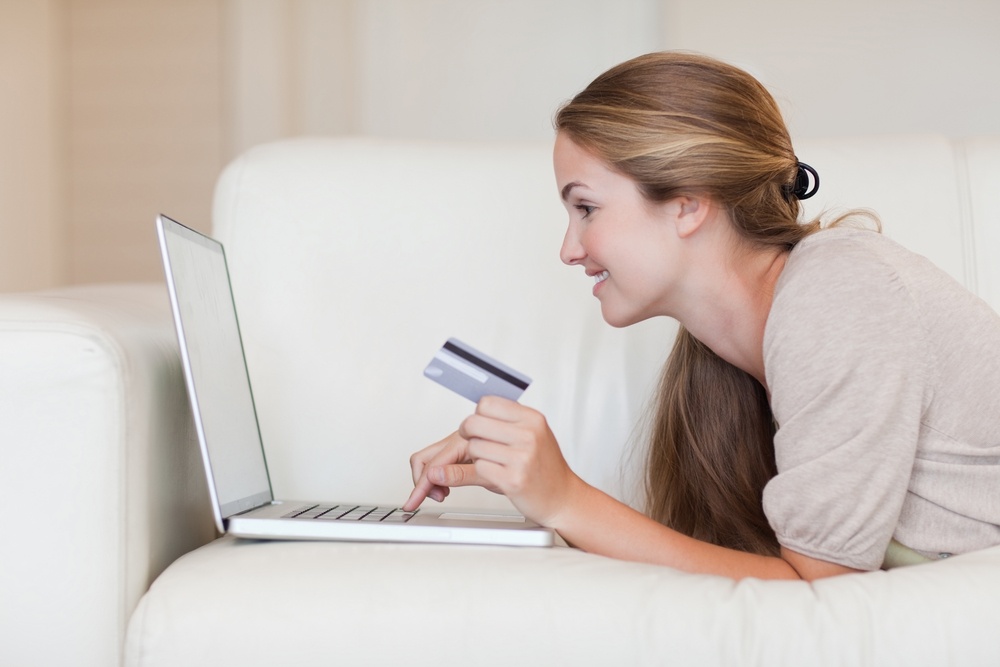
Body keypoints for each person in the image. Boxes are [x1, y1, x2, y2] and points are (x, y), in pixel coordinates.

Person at [402, 51, 1000, 580]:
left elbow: (823, 600)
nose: (569, 249)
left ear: (687, 204)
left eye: (586, 208)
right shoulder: (721, 367)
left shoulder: (840, 290)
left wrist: (565, 501)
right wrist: (544, 491)